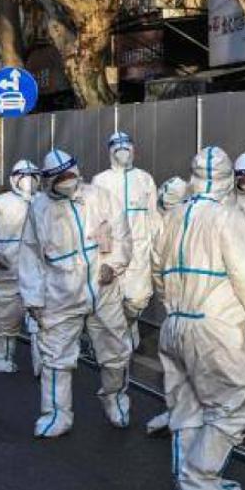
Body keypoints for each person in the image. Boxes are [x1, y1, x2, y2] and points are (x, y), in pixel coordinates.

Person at [152, 146, 245, 490]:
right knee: (238, 401)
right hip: (214, 328)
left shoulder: (174, 217)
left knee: (187, 402)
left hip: (175, 322)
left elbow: (156, 269)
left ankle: (186, 483)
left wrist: (173, 305)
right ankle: (199, 475)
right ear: (228, 179)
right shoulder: (229, 219)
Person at [18, 149, 134, 438]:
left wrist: (113, 264)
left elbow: (121, 234)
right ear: (48, 181)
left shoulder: (100, 198)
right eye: (60, 178)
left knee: (116, 354)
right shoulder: (39, 208)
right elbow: (30, 255)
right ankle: (56, 414)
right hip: (59, 296)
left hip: (103, 290)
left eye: (70, 175)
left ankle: (115, 399)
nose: (66, 181)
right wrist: (33, 299)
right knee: (56, 358)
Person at [92, 131, 159, 351]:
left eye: (127, 148)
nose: (123, 153)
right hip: (111, 251)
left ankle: (126, 326)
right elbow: (95, 218)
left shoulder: (145, 178)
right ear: (110, 152)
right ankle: (116, 343)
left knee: (138, 299)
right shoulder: (101, 181)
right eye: (118, 149)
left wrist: (157, 246)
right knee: (110, 301)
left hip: (140, 250)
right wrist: (102, 253)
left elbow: (154, 216)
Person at [0, 159, 40, 372]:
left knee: (42, 321)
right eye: (24, 176)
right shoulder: (1, 203)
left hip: (39, 273)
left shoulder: (44, 202)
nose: (28, 181)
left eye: (32, 176)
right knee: (4, 318)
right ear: (15, 179)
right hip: (7, 270)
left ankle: (44, 365)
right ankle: (2, 360)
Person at [144, 175, 191, 438]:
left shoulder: (197, 226)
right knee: (177, 367)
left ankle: (203, 423)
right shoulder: (165, 229)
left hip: (194, 313)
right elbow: (159, 270)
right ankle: (178, 414)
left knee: (198, 369)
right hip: (179, 311)